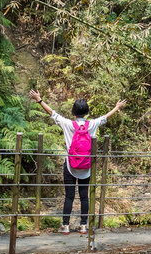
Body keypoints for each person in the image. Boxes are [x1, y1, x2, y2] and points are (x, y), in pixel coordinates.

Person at [28, 89, 126, 235]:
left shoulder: (67, 123)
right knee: (84, 196)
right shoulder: (92, 124)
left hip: (70, 165)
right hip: (86, 166)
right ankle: (83, 226)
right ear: (86, 112)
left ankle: (65, 226)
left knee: (69, 196)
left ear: (73, 112)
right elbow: (105, 117)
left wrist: (39, 100)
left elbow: (52, 113)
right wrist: (117, 107)